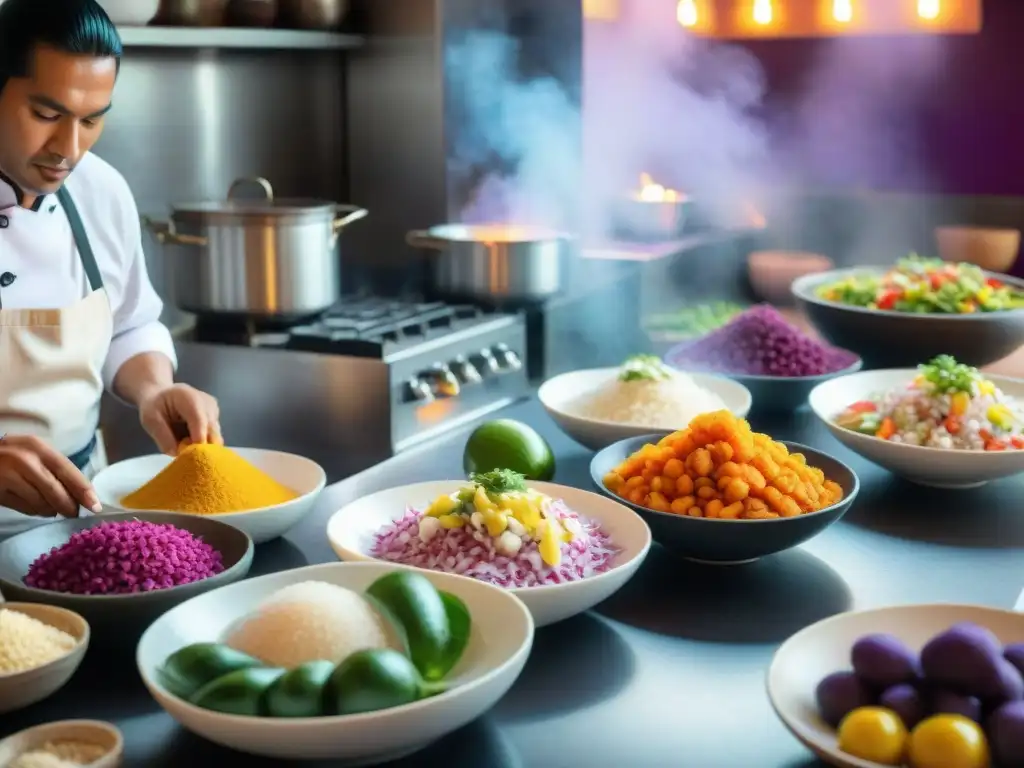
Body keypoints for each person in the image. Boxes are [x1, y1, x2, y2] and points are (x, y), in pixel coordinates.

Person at [0, 0, 222, 532]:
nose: (68, 149)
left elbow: (131, 322)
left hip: (80, 516)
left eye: (92, 119)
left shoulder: (101, 190)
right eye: (46, 115)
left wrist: (154, 390)